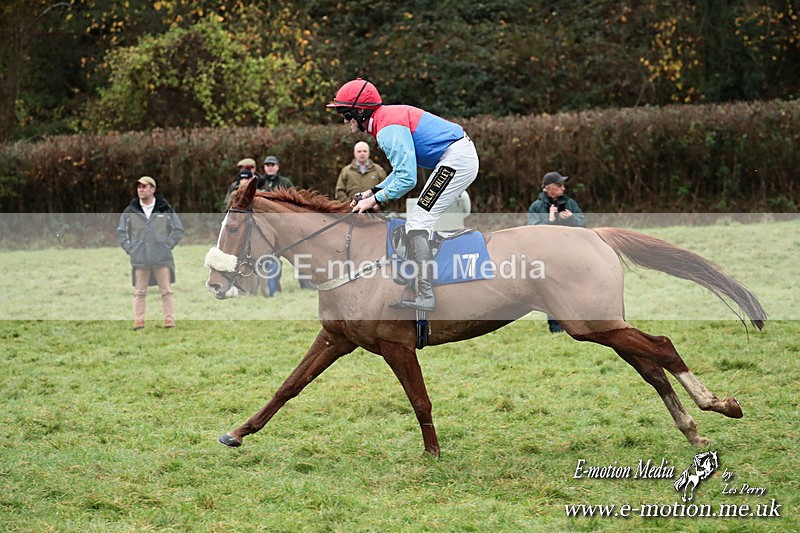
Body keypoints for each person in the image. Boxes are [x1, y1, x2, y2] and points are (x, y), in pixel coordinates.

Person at [327, 78, 479, 312]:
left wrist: (374, 199)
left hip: (457, 159)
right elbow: (401, 173)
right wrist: (372, 191)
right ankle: (422, 282)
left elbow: (408, 179)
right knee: (418, 219)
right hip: (455, 157)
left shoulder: (387, 129)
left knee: (418, 220)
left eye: (346, 114)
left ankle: (426, 294)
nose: (345, 120)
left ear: (359, 111)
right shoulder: (384, 121)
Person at [117, 176, 184, 330]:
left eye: (144, 186)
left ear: (153, 189)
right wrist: (130, 249)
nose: (141, 189)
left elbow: (178, 229)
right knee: (139, 292)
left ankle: (169, 322)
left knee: (166, 291)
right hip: (140, 257)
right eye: (139, 187)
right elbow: (121, 232)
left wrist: (168, 245)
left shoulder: (165, 208)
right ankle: (139, 323)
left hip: (162, 257)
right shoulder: (130, 210)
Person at [527, 171, 586, 333]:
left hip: (570, 251)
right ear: (548, 188)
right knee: (552, 290)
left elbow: (583, 224)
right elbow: (531, 230)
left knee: (574, 287)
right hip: (548, 254)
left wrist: (571, 217)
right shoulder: (536, 207)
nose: (563, 189)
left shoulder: (570, 203)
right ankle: (556, 328)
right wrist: (549, 220)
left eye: (563, 185)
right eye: (559, 186)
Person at [334, 141, 387, 206]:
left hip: (374, 211)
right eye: (359, 151)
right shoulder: (346, 171)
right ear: (354, 153)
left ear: (369, 153)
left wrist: (378, 204)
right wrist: (348, 205)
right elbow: (339, 191)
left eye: (365, 151)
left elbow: (386, 189)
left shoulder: (378, 170)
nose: (362, 153)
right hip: (352, 211)